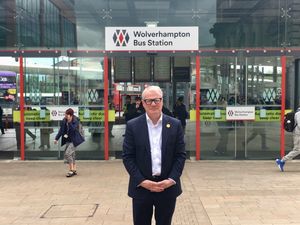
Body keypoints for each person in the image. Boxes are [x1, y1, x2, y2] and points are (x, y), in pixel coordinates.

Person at [122, 86, 186, 225]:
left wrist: (171, 179)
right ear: (143, 103)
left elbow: (180, 155)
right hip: (141, 188)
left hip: (167, 187)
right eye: (149, 101)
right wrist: (142, 181)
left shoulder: (175, 125)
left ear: (162, 101)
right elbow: (128, 157)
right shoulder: (133, 125)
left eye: (156, 100)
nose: (153, 104)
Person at [54, 108, 85, 177]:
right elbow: (61, 130)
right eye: (65, 114)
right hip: (68, 139)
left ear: (70, 115)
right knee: (72, 155)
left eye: (67, 115)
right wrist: (56, 139)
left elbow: (73, 129)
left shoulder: (75, 120)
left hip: (75, 140)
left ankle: (71, 170)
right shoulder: (64, 120)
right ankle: (74, 169)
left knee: (67, 154)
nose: (65, 116)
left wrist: (70, 122)